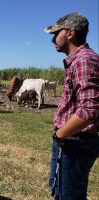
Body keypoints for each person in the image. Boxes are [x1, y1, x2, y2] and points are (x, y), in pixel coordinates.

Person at [45, 13, 99, 199]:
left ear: (70, 33)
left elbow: (89, 110)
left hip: (75, 141)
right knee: (61, 192)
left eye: (55, 33)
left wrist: (61, 134)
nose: (53, 38)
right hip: (70, 139)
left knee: (70, 195)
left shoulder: (84, 60)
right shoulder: (77, 60)